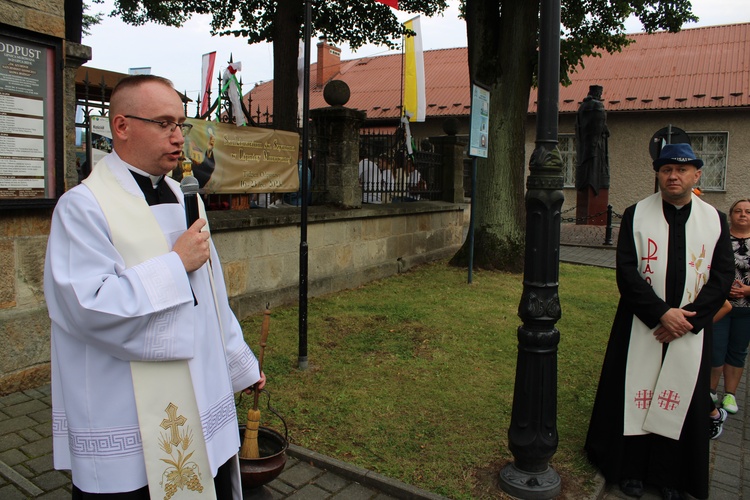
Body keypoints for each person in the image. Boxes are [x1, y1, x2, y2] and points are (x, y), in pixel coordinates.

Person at [44, 74, 265, 499]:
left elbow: (212, 292)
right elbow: (86, 306)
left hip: (200, 384)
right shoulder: (83, 207)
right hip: (123, 399)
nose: (178, 136)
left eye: (180, 124)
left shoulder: (187, 197)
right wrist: (174, 265)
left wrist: (239, 361)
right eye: (164, 123)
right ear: (122, 126)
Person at [585, 143, 734, 500]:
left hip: (690, 330)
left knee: (678, 397)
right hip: (642, 324)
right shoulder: (636, 214)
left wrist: (687, 320)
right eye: (666, 169)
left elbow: (723, 275)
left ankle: (672, 477)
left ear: (697, 175)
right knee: (639, 391)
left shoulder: (715, 219)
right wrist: (660, 313)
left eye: (682, 170)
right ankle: (631, 470)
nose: (673, 176)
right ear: (658, 174)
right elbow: (626, 271)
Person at [711, 198, 750, 414]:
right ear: (731, 215)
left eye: (748, 211)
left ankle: (730, 395)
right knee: (715, 348)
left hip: (746, 309)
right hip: (720, 305)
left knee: (737, 351)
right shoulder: (720, 238)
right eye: (738, 211)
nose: (743, 214)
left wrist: (746, 291)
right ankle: (710, 390)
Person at [575, 85, 610, 194]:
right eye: (600, 94)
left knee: (587, 169)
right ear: (597, 93)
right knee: (595, 170)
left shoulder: (582, 107)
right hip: (596, 147)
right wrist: (606, 131)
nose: (600, 96)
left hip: (584, 147)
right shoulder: (597, 105)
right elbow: (599, 126)